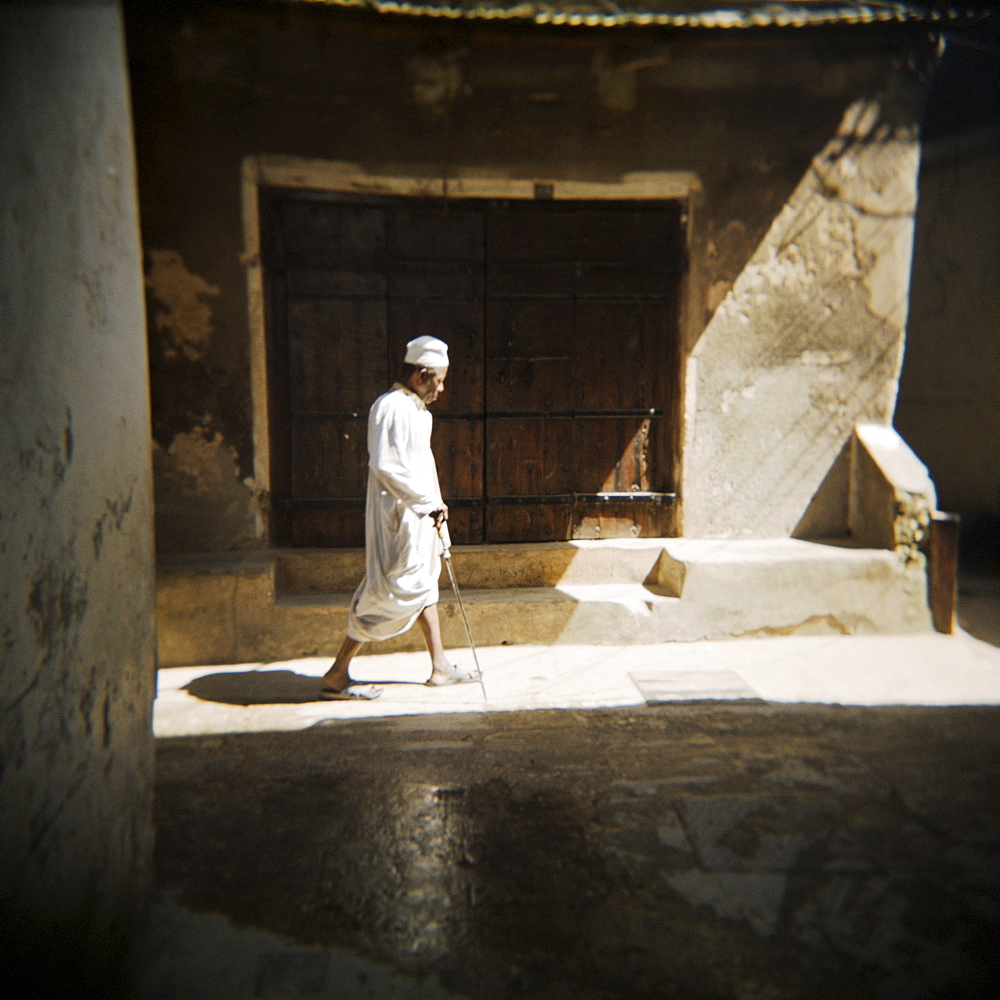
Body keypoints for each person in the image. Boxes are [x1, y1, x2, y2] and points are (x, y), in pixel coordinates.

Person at [320, 335, 481, 700]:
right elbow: (387, 466)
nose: (442, 387)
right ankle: (337, 672)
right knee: (390, 592)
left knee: (424, 582)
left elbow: (419, 465)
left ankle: (440, 665)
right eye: (438, 379)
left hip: (418, 515)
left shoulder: (415, 410)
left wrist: (434, 505)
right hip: (400, 519)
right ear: (422, 375)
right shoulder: (393, 406)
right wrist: (427, 502)